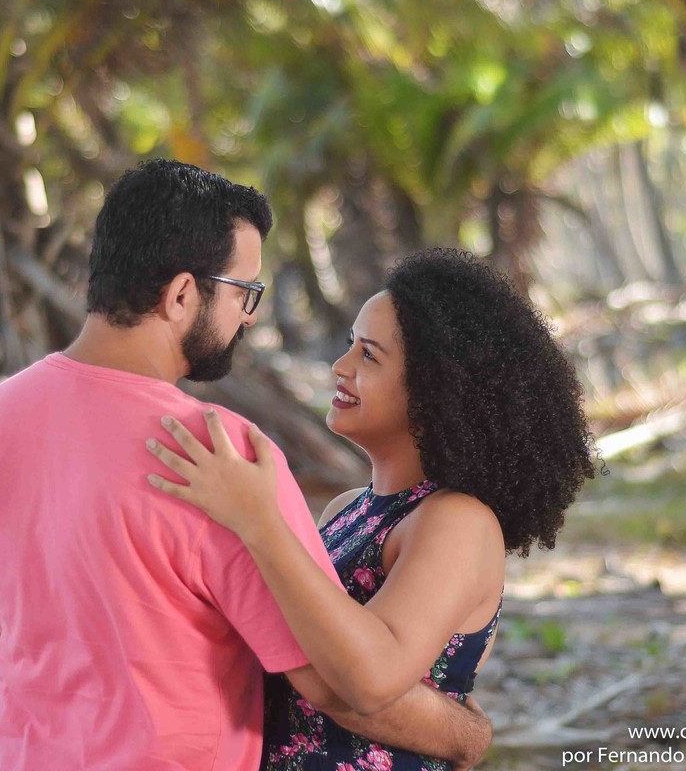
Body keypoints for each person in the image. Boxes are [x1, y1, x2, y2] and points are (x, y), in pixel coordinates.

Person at [0, 161, 491, 770]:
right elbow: (338, 686)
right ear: (182, 294)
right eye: (244, 292)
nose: (250, 317)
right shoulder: (219, 455)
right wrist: (464, 735)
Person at [147, 247, 597, 770]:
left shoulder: (457, 521)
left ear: (436, 391)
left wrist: (257, 521)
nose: (341, 367)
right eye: (349, 346)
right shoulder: (346, 510)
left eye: (369, 355)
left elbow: (370, 679)